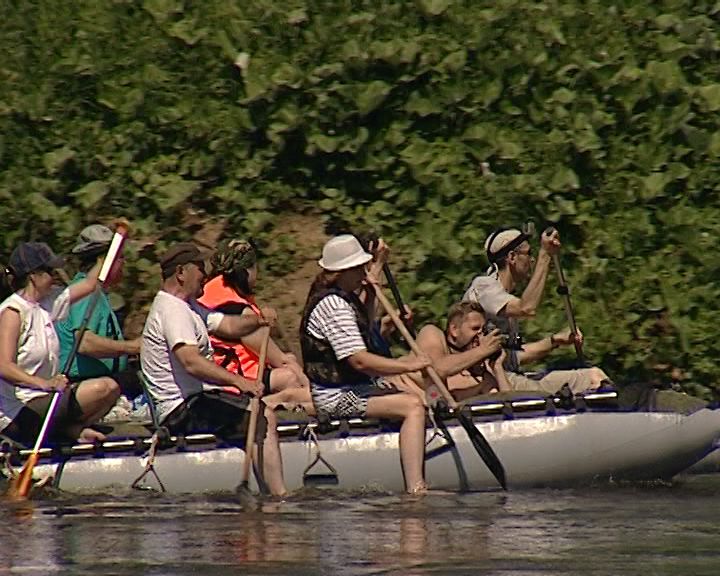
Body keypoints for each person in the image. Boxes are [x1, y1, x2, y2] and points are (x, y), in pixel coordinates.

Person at [140, 242, 287, 496]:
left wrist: (259, 319)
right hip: (181, 409)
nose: (205, 275)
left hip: (196, 400)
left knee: (254, 409)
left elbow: (228, 326)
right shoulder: (173, 310)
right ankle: (277, 496)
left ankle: (259, 480)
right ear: (181, 273)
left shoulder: (189, 307)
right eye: (199, 268)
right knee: (262, 415)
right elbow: (191, 362)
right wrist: (240, 382)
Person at [300, 234, 431, 494]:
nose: (363, 272)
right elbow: (359, 360)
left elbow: (366, 329)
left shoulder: (345, 298)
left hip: (351, 387)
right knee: (413, 406)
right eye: (359, 268)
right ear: (341, 272)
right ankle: (417, 487)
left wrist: (371, 293)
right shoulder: (333, 305)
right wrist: (409, 365)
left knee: (416, 394)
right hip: (334, 396)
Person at [0, 242, 121, 446]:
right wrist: (44, 383)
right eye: (49, 271)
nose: (55, 275)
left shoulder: (49, 302)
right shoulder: (13, 312)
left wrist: (114, 247)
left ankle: (67, 432)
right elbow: (4, 366)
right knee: (103, 388)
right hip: (17, 409)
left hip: (44, 399)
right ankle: (67, 433)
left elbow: (92, 284)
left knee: (111, 390)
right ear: (33, 276)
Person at [463, 227, 609, 394]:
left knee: (594, 377)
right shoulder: (483, 287)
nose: (531, 260)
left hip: (511, 374)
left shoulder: (504, 300)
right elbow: (527, 308)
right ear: (512, 257)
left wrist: (554, 341)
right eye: (528, 253)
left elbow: (513, 358)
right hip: (493, 379)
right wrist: (545, 255)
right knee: (571, 391)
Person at [198, 238, 313, 413]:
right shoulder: (239, 312)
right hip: (235, 380)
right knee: (290, 375)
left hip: (216, 373)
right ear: (246, 272)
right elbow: (279, 360)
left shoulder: (207, 293)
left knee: (289, 362)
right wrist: (311, 389)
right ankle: (271, 405)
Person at [55, 224, 142, 400]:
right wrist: (132, 347)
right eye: (120, 258)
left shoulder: (96, 294)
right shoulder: (87, 295)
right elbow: (85, 343)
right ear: (106, 261)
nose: (123, 263)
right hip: (83, 384)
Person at [416, 301, 510, 401]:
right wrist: (482, 350)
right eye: (475, 328)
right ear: (454, 329)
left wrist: (498, 367)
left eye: (483, 330)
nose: (480, 335)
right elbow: (437, 370)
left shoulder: (477, 370)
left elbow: (510, 403)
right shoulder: (432, 334)